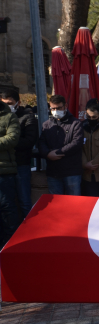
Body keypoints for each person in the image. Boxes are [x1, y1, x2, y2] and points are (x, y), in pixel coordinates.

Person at [0, 89, 37, 219]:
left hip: (21, 164)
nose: (7, 106)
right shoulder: (3, 117)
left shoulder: (27, 117)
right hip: (5, 167)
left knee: (24, 201)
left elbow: (29, 141)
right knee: (8, 203)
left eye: (10, 103)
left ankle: (30, 232)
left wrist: (11, 141)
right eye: (4, 103)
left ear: (18, 102)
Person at [38, 95, 84, 196]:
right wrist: (47, 154)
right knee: (56, 204)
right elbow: (41, 143)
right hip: (53, 172)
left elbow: (76, 143)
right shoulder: (46, 125)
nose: (55, 111)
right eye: (53, 108)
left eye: (58, 108)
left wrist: (57, 153)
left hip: (71, 171)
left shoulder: (75, 123)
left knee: (74, 204)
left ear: (65, 106)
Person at [0, 98, 21, 244]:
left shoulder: (9, 116)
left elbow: (12, 138)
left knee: (7, 207)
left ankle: (12, 244)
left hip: (4, 171)